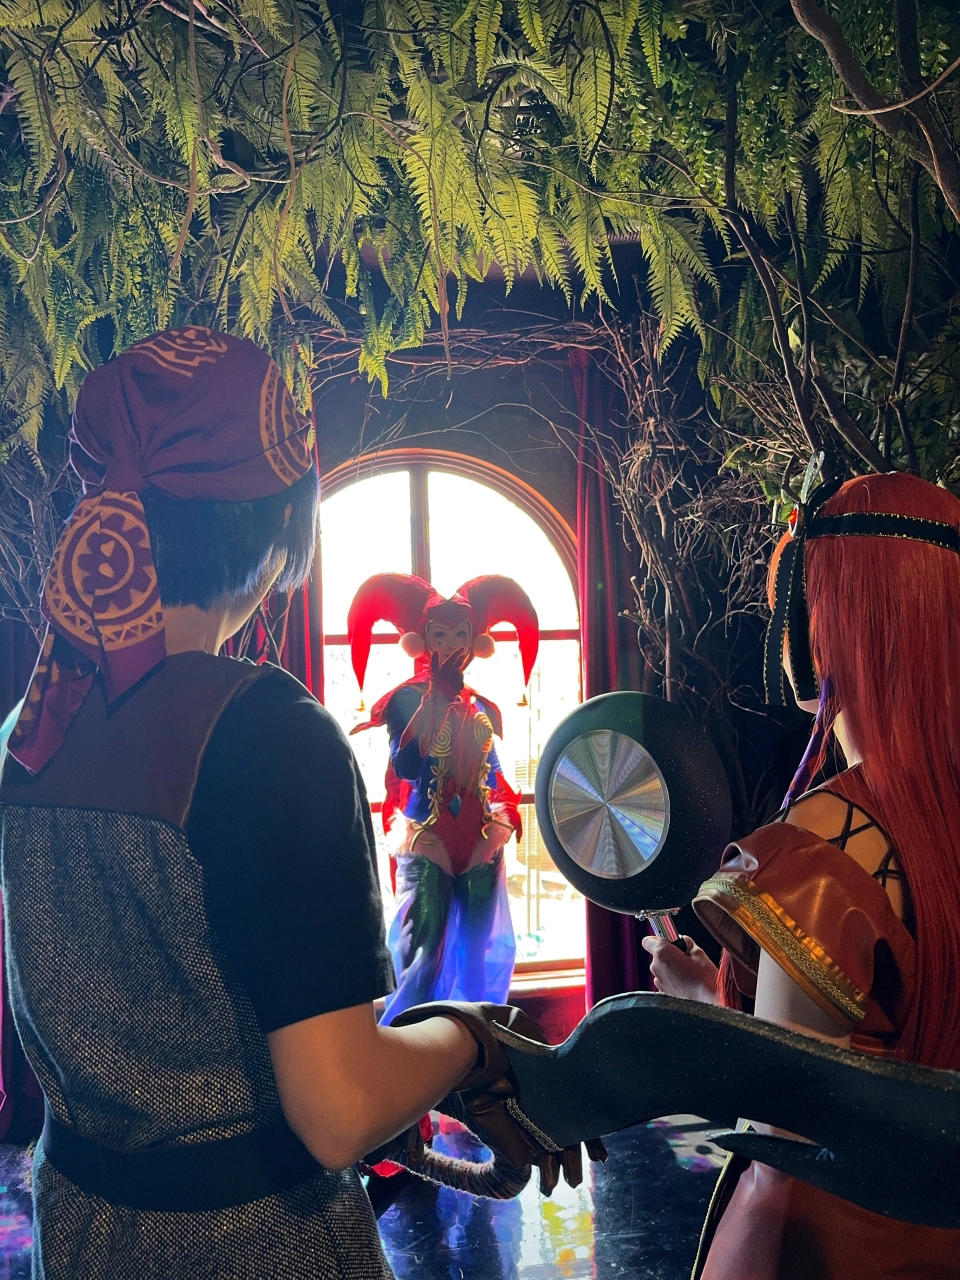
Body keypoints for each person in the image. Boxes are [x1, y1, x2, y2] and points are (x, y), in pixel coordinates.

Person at [0, 327, 506, 1279]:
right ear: (280, 525)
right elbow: (340, 1111)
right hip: (257, 1244)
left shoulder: (32, 729)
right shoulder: (267, 734)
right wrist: (472, 1039)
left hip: (82, 1237)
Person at [642, 472, 960, 1279]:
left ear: (822, 630)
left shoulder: (829, 848)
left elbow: (777, 1143)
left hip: (844, 1249)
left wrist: (695, 1013)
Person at [347, 573, 538, 1021]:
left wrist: (505, 815)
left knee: (479, 962)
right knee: (421, 962)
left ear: (474, 641)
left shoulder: (482, 706)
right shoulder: (404, 701)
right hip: (427, 844)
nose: (451, 644)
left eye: (459, 635)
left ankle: (476, 1050)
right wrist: (435, 700)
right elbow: (406, 767)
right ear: (423, 640)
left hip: (480, 845)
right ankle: (409, 1049)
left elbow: (492, 768)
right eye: (440, 635)